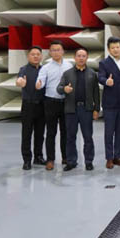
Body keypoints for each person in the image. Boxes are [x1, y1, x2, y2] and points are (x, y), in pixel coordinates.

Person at [56, 47, 100, 171]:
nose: (81, 58)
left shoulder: (92, 73)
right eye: (79, 56)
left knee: (88, 137)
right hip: (71, 110)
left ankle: (89, 161)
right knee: (70, 137)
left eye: (83, 56)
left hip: (86, 109)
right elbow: (59, 88)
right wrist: (64, 89)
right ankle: (71, 161)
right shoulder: (67, 73)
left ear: (87, 58)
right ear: (74, 58)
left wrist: (96, 109)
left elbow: (96, 93)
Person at [35, 40, 72, 170]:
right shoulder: (45, 67)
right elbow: (40, 82)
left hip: (66, 102)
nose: (56, 52)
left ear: (63, 51)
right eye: (53, 50)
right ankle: (50, 159)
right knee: (51, 132)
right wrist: (38, 85)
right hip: (51, 102)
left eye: (58, 50)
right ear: (50, 52)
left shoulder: (69, 66)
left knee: (65, 132)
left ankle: (65, 157)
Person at [98, 36, 120, 170]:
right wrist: (107, 81)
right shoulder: (104, 63)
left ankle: (118, 156)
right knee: (109, 132)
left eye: (117, 47)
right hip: (110, 104)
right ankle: (109, 158)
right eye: (113, 47)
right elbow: (100, 77)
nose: (116, 49)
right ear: (108, 49)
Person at [16, 46, 45, 170]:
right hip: (28, 105)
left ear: (41, 56)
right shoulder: (23, 69)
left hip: (42, 105)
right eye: (33, 54)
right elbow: (19, 80)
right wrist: (20, 82)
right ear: (28, 56)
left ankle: (38, 157)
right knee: (26, 134)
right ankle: (27, 160)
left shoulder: (44, 70)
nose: (36, 56)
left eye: (38, 54)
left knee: (40, 134)